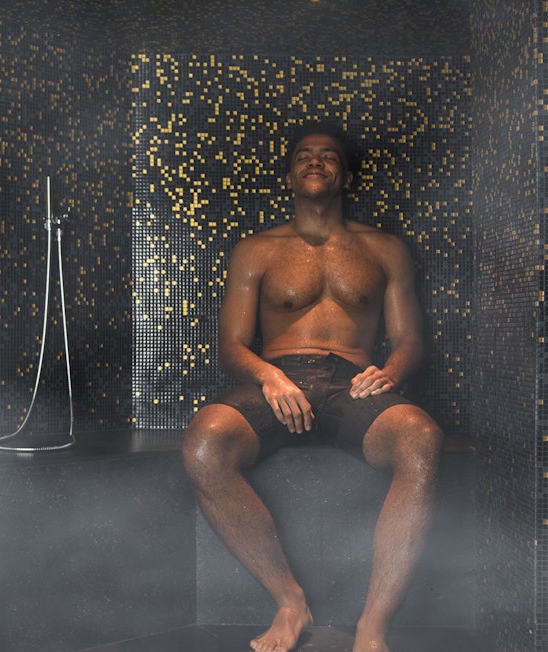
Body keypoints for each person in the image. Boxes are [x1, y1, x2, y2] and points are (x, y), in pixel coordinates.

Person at [182, 120, 444, 652]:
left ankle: (372, 626)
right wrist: (269, 376)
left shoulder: (385, 249)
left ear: (345, 174)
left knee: (421, 437)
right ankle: (288, 601)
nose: (316, 161)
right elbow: (231, 344)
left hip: (354, 383)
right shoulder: (256, 250)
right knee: (205, 441)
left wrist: (390, 372)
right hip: (278, 378)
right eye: (304, 155)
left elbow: (412, 338)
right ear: (289, 175)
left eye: (327, 155)